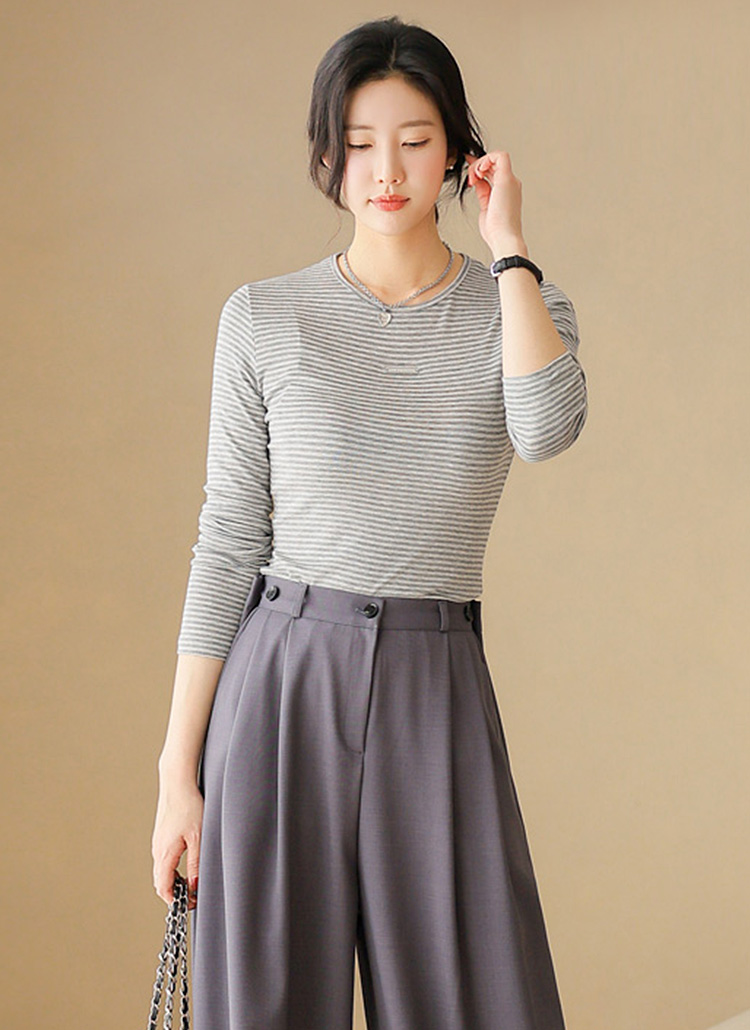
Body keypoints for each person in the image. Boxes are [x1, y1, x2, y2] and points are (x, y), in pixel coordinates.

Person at [151, 14, 588, 1030]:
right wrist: (178, 774)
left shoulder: (518, 306)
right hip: (281, 681)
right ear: (326, 155)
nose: (385, 170)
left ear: (459, 152)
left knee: (476, 1003)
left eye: (414, 139)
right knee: (264, 1007)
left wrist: (511, 249)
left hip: (436, 682)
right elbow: (228, 540)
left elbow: (548, 428)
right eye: (357, 143)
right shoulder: (263, 318)